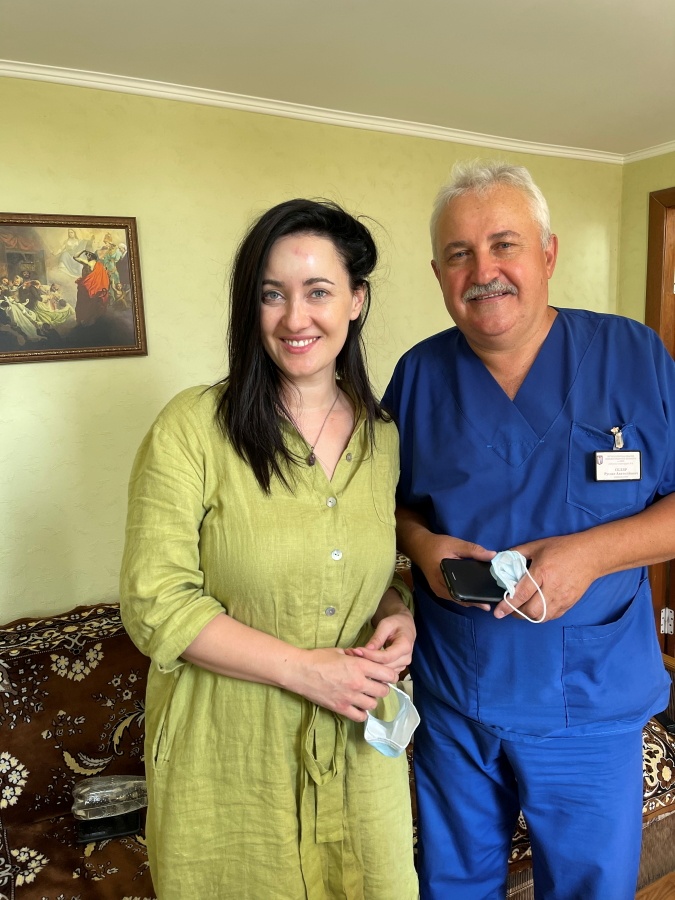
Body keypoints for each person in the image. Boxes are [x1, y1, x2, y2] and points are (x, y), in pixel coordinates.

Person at [383, 160, 675, 900]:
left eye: (504, 245)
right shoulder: (417, 377)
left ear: (547, 254)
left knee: (587, 889)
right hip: (457, 696)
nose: (483, 271)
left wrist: (591, 555)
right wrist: (421, 544)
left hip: (589, 700)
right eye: (459, 254)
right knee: (452, 885)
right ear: (438, 274)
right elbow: (386, 508)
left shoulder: (634, 358)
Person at [120, 199, 418, 900]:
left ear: (355, 301)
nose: (294, 318)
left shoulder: (383, 438)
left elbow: (356, 567)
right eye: (271, 294)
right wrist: (304, 672)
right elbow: (156, 603)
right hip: (228, 757)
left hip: (359, 751)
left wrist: (396, 611)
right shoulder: (192, 428)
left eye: (318, 292)